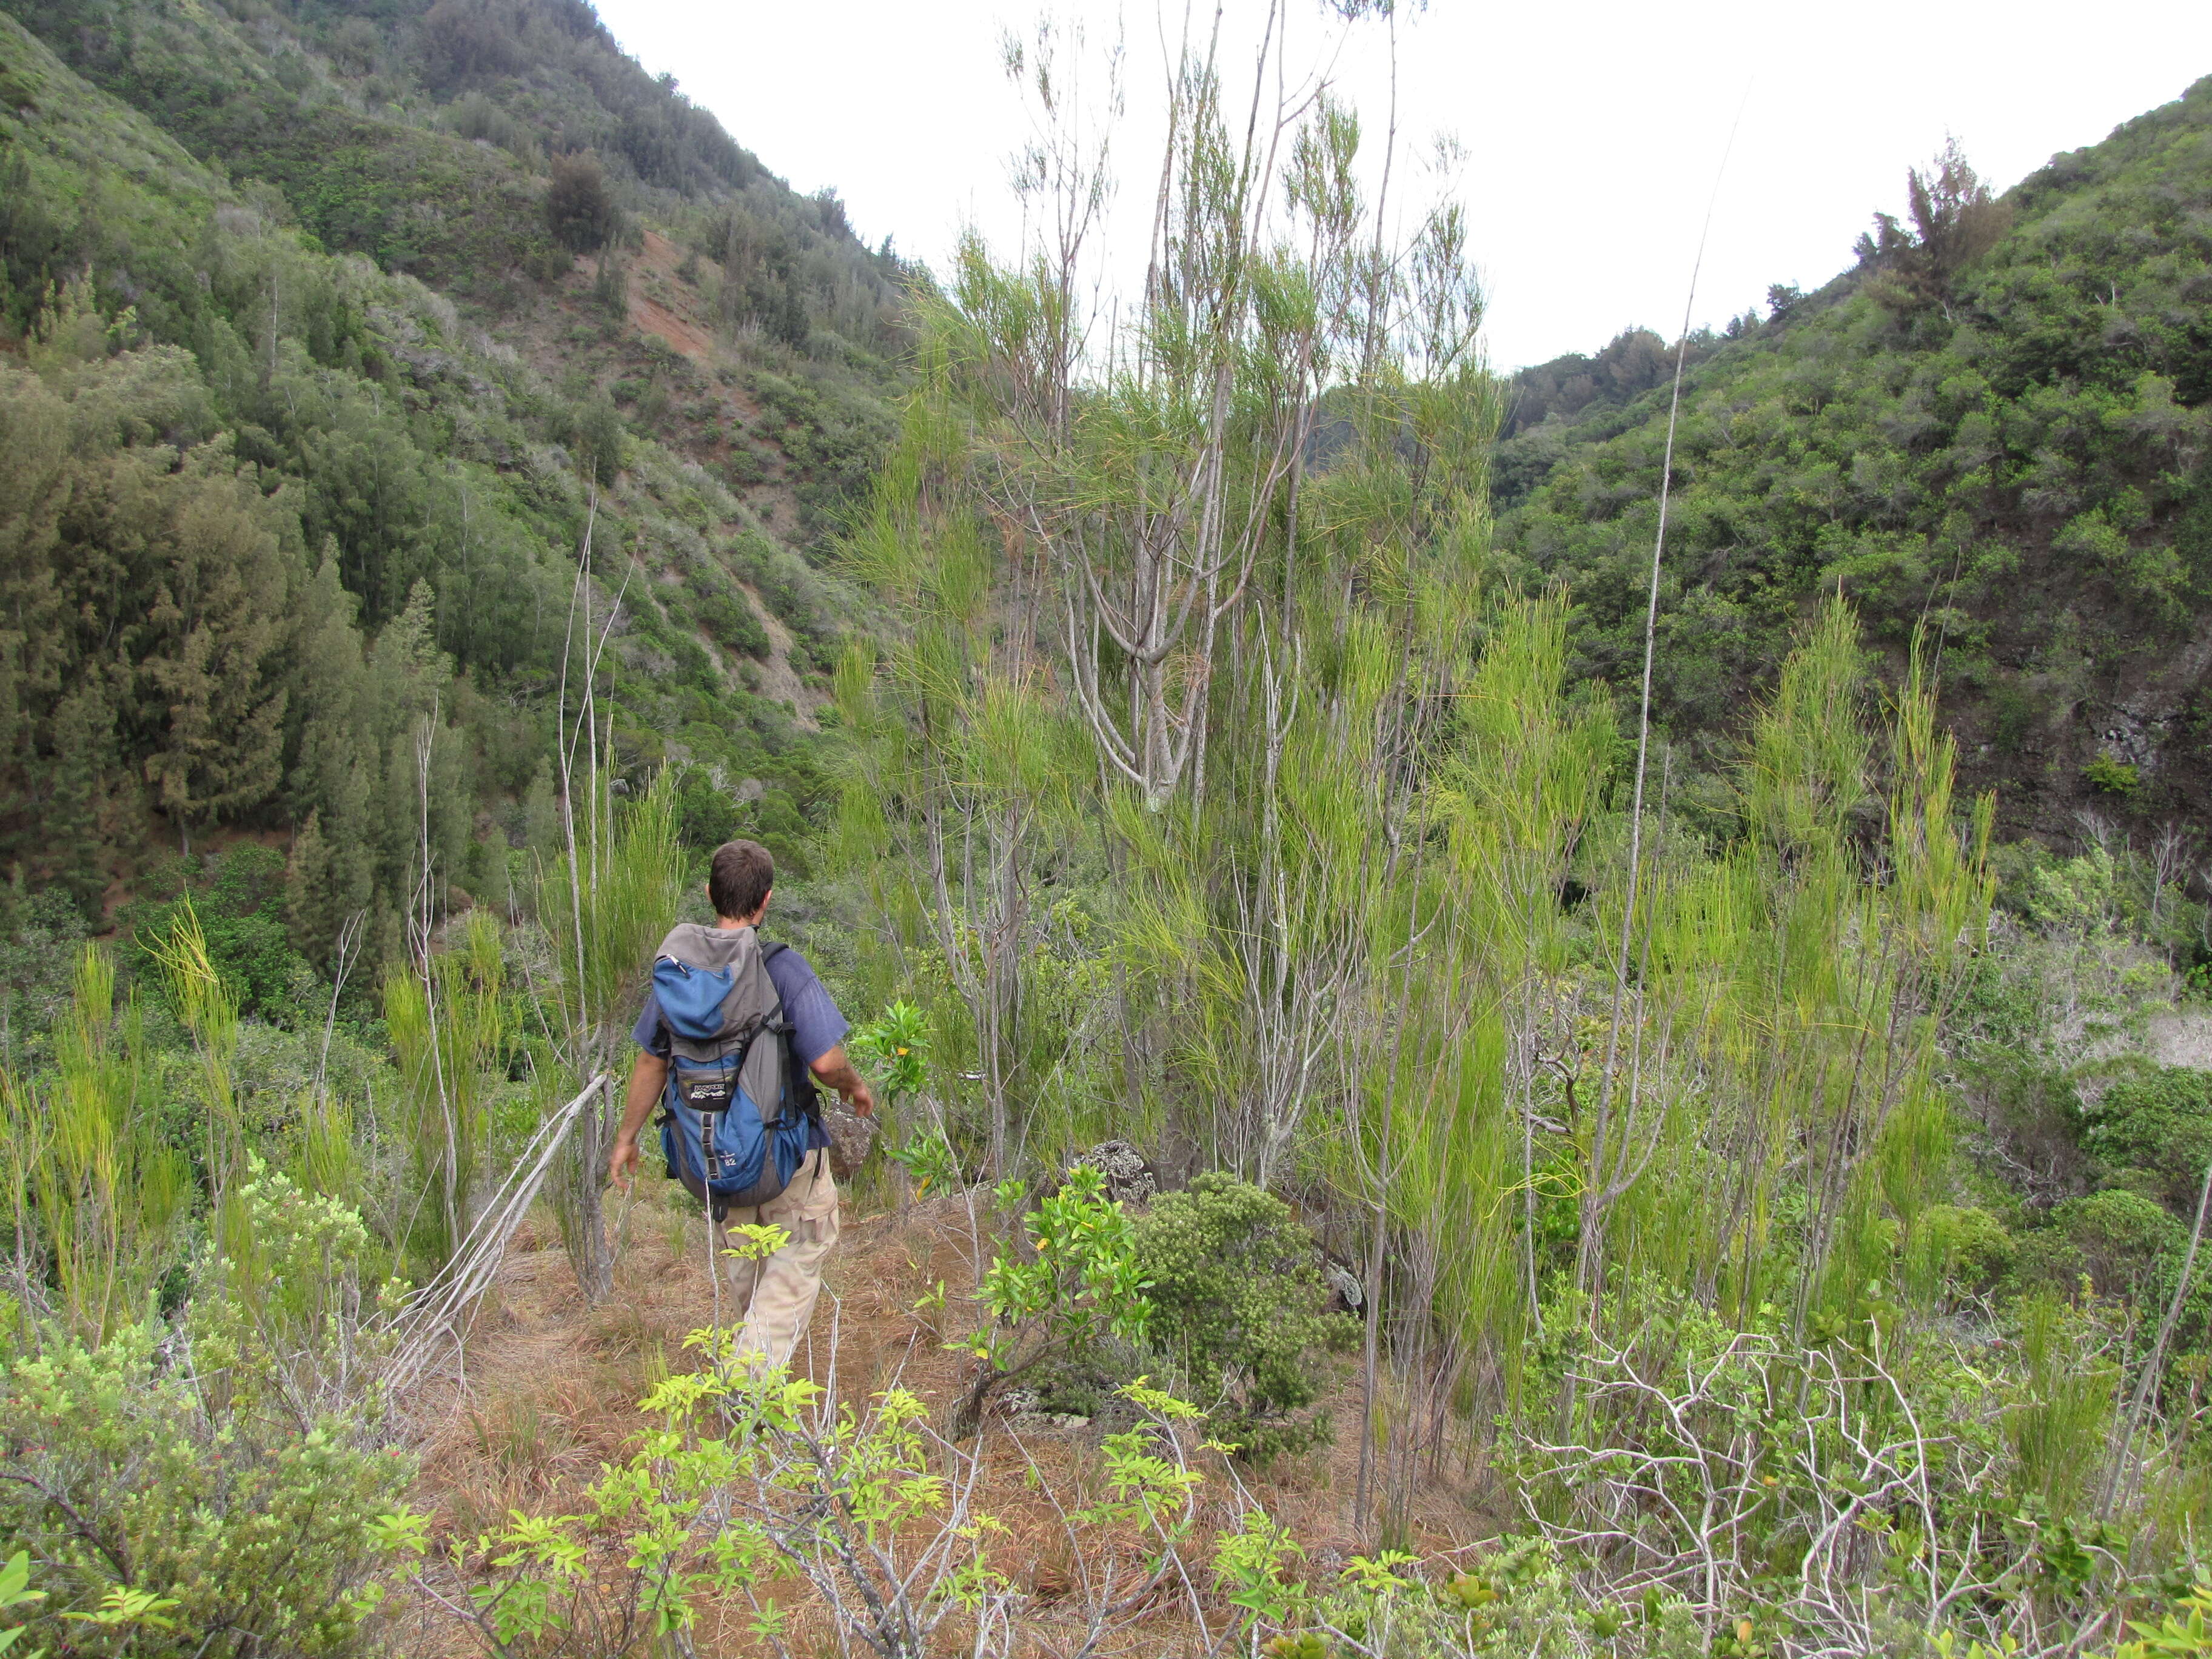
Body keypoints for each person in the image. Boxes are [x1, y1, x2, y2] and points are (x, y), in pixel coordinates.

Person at [608, 839, 874, 1369]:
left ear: (709, 893)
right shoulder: (781, 967)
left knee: (750, 1282)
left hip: (712, 1162)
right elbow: (824, 1062)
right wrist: (853, 1085)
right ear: (767, 900)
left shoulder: (678, 977)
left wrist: (626, 1138)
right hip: (784, 1157)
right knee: (794, 1266)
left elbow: (650, 1063)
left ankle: (753, 1415)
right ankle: (747, 1387)